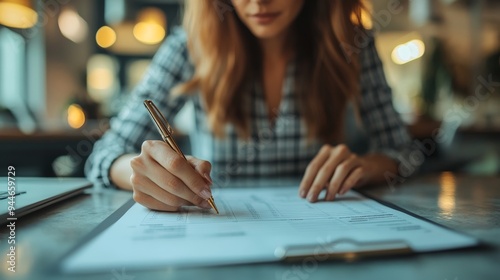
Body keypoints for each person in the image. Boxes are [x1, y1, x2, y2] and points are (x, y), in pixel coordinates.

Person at [86, 0, 411, 212]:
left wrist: (366, 167)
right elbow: (104, 154)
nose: (258, 3)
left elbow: (405, 152)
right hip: (221, 233)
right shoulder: (189, 47)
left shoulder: (351, 44)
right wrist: (139, 172)